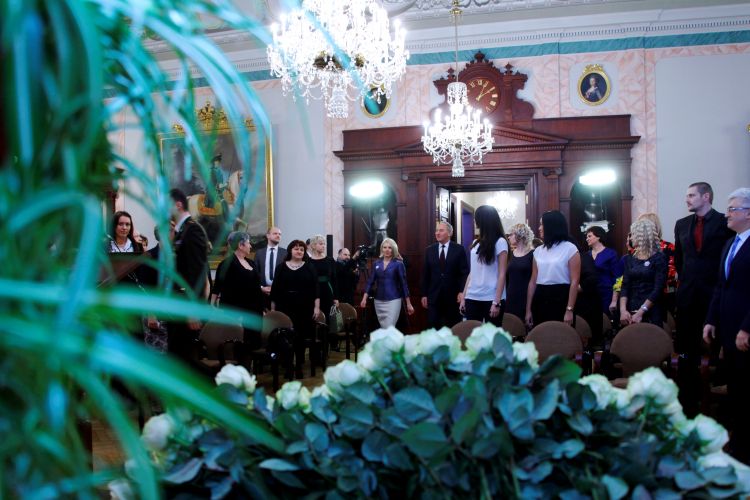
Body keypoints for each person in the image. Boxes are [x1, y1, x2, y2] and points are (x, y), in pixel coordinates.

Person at [673, 182, 733, 400]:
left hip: (714, 295)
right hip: (688, 295)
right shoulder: (681, 224)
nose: (687, 199)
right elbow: (679, 260)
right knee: (687, 348)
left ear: (706, 196)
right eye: (687, 195)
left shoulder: (724, 223)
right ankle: (688, 396)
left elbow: (728, 259)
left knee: (714, 345)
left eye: (691, 195)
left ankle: (714, 394)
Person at [703, 187, 750, 463]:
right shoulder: (730, 243)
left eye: (733, 209)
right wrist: (711, 320)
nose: (727, 214)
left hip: (746, 330)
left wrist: (747, 327)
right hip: (728, 329)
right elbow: (721, 286)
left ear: (749, 213)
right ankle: (738, 442)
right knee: (735, 388)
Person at [168, 188, 210, 363]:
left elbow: (197, 273)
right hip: (178, 305)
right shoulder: (181, 231)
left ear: (178, 205)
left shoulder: (193, 230)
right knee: (176, 358)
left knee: (186, 360)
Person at [270, 240, 321, 379]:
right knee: (285, 338)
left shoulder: (309, 267)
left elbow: (316, 289)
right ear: (290, 251)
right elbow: (275, 290)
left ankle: (298, 367)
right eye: (296, 249)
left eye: (302, 250)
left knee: (300, 338)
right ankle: (288, 366)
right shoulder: (281, 267)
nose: (299, 251)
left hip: (304, 307)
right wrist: (273, 311)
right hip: (284, 307)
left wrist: (316, 307)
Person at [526, 211, 581, 327]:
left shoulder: (570, 248)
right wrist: (528, 309)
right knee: (541, 334)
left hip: (562, 297)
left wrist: (569, 309)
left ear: (552, 226)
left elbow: (575, 281)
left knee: (562, 334)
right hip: (540, 296)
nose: (539, 228)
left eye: (542, 224)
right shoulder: (538, 251)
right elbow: (533, 281)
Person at [211, 232, 264, 349]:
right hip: (238, 313)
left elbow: (256, 286)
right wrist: (213, 305)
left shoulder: (251, 263)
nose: (250, 246)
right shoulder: (226, 264)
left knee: (253, 344)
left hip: (254, 312)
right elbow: (218, 287)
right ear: (240, 245)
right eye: (248, 243)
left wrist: (262, 308)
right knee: (240, 345)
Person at [460, 206, 508, 326]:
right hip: (472, 296)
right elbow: (472, 273)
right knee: (473, 334)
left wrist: (496, 302)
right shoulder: (475, 242)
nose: (474, 221)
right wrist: (464, 296)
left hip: (491, 297)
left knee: (491, 335)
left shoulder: (500, 242)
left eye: (476, 218)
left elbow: (502, 274)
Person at [619, 219, 667, 327]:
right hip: (630, 309)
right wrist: (623, 310)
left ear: (642, 235)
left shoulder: (659, 258)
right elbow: (625, 286)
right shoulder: (629, 259)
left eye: (633, 234)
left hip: (651, 309)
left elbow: (658, 289)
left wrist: (641, 312)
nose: (631, 238)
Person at [421, 221, 469, 329]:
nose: (437, 233)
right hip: (434, 297)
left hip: (453, 297)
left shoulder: (459, 249)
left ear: (449, 233)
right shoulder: (429, 250)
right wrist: (424, 294)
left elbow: (464, 273)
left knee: (452, 327)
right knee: (433, 327)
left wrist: (462, 291)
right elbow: (425, 274)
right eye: (436, 230)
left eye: (441, 230)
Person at [360, 238, 414, 329]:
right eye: (385, 247)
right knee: (384, 328)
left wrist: (408, 303)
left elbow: (404, 284)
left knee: (389, 327)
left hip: (394, 300)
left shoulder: (399, 264)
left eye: (390, 247)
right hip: (378, 301)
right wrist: (364, 298)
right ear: (382, 249)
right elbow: (370, 282)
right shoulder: (376, 263)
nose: (387, 250)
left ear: (393, 249)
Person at [637, 212, 677, 318]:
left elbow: (670, 274)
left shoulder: (668, 247)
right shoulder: (637, 249)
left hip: (662, 296)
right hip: (639, 295)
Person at [585, 226, 619, 313]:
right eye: (586, 237)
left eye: (589, 236)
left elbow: (618, 278)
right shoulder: (586, 255)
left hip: (606, 295)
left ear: (598, 236)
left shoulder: (611, 253)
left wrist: (614, 300)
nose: (587, 239)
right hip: (589, 295)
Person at [505, 223, 535, 320]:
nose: (509, 237)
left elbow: (535, 279)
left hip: (526, 297)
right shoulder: (510, 254)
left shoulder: (533, 254)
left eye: (511, 234)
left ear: (519, 235)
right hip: (510, 296)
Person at [308, 234, 339, 322]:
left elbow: (334, 279)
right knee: (313, 317)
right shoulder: (308, 261)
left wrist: (336, 297)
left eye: (324, 244)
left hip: (327, 290)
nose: (323, 246)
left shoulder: (330, 260)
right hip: (312, 291)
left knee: (329, 317)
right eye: (321, 244)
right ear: (314, 245)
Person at [255, 226, 287, 302]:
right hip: (262, 294)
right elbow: (255, 273)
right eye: (275, 233)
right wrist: (261, 288)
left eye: (280, 234)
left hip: (280, 293)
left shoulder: (285, 253)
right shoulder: (259, 253)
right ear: (268, 236)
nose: (278, 235)